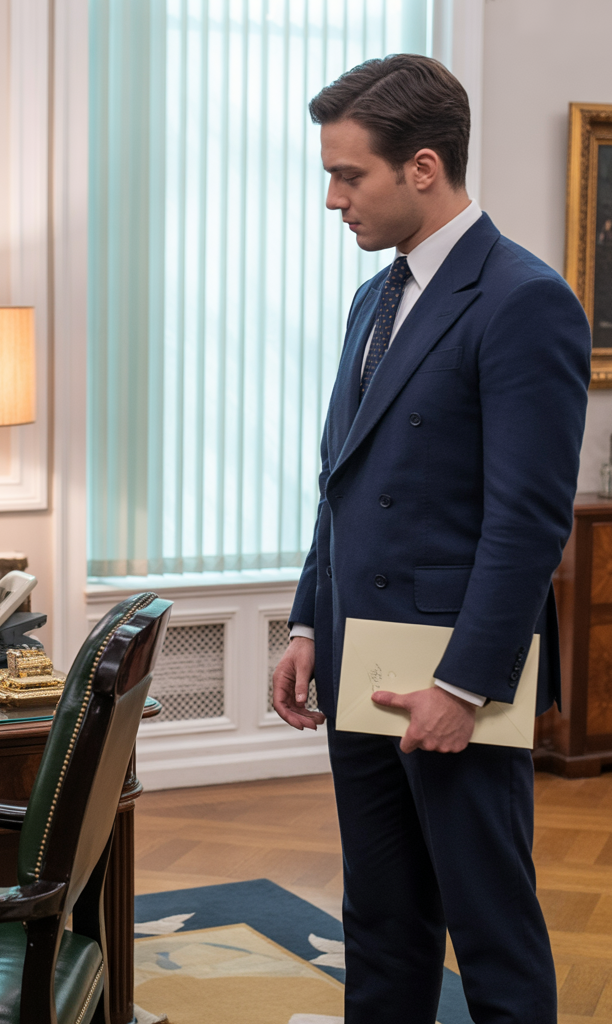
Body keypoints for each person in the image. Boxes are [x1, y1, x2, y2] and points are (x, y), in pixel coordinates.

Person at [271, 55, 591, 1024]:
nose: (333, 199)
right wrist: (307, 623)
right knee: (379, 919)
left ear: (422, 167)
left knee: (490, 928)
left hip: (454, 678)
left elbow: (527, 522)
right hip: (358, 661)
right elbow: (342, 481)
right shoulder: (373, 297)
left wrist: (463, 686)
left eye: (348, 175)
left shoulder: (525, 300)